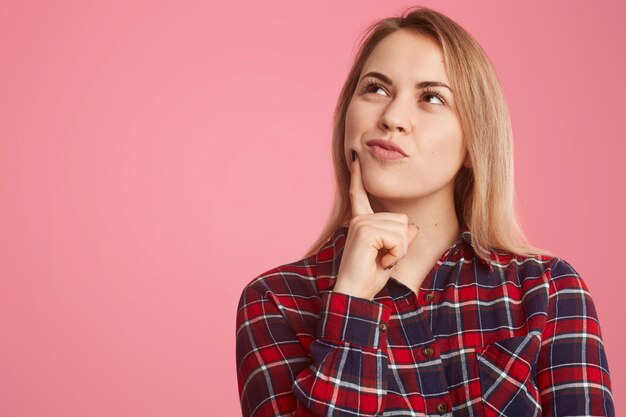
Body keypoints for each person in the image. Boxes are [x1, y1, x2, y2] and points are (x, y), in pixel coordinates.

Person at [235, 6, 614, 416]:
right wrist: (351, 304)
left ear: (474, 143)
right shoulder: (277, 301)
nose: (393, 118)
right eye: (376, 89)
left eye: (431, 98)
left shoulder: (547, 291)